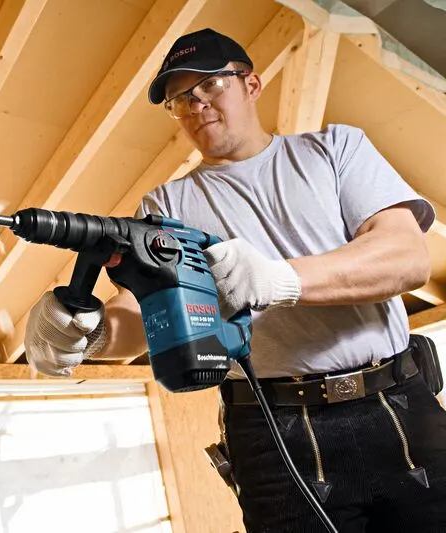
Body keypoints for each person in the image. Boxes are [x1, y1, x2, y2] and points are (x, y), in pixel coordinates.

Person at [23, 27, 446, 532]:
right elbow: (142, 313)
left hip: (398, 406)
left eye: (210, 85)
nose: (195, 104)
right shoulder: (168, 206)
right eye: (180, 99)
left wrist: (279, 279)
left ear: (252, 84)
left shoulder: (335, 149)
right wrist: (87, 334)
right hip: (270, 430)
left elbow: (403, 257)